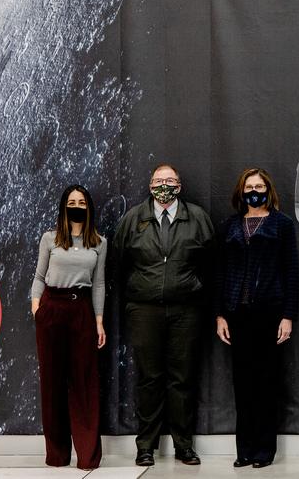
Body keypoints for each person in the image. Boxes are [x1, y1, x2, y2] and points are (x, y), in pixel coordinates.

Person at [112, 163, 215, 467]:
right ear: (150, 185)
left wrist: (194, 288)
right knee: (149, 379)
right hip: (144, 310)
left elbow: (212, 263)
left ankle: (184, 446)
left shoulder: (197, 218)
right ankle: (146, 446)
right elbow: (119, 263)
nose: (164, 186)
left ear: (180, 187)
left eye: (170, 181)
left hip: (186, 310)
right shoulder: (133, 219)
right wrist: (137, 292)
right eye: (159, 181)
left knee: (182, 379)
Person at [215, 167, 299, 470]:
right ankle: (245, 449)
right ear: (241, 192)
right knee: (243, 384)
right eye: (249, 186)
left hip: (270, 313)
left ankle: (265, 450)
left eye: (259, 186)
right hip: (238, 315)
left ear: (268, 190)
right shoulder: (229, 227)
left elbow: (292, 272)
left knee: (267, 383)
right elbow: (220, 273)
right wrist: (220, 315)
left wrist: (288, 316)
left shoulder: (282, 225)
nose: (254, 190)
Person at [31, 184, 107, 470]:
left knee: (83, 383)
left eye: (82, 202)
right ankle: (57, 455)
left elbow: (99, 283)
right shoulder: (50, 239)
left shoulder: (99, 242)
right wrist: (37, 309)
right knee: (52, 384)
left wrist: (98, 321)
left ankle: (87, 456)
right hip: (52, 308)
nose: (77, 205)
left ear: (88, 207)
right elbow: (39, 276)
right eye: (72, 201)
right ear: (64, 207)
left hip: (81, 310)